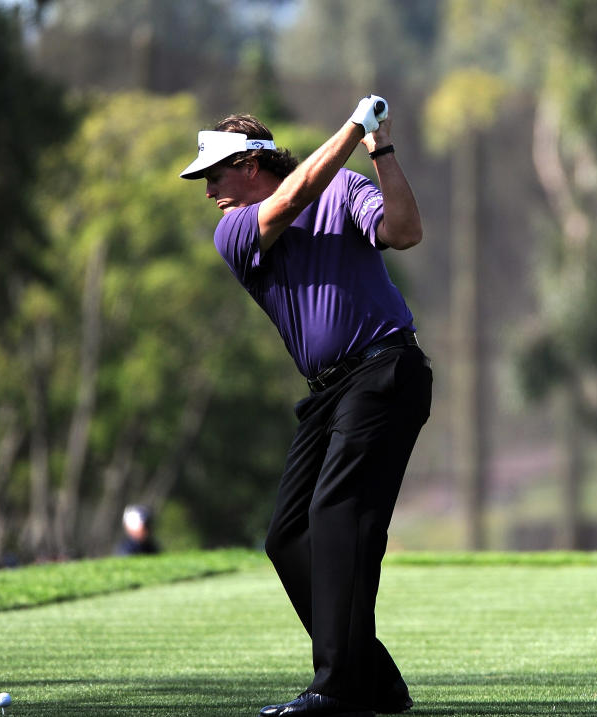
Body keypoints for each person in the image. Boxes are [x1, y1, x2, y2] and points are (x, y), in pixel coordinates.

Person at [180, 95, 432, 717]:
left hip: (384, 370)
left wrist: (383, 151)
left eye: (215, 175)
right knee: (288, 535)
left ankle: (336, 689)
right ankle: (376, 681)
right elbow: (290, 201)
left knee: (336, 514)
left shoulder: (344, 187)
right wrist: (354, 124)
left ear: (249, 163)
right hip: (329, 394)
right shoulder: (234, 229)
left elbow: (404, 232)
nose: (209, 190)